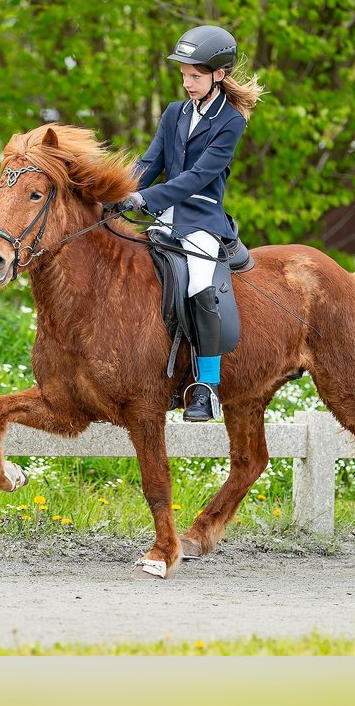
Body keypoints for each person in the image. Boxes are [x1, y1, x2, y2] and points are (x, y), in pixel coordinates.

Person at [112, 24, 265, 421]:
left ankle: (206, 387)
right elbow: (150, 162)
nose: (187, 83)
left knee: (199, 282)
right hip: (164, 219)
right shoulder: (174, 113)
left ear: (220, 74)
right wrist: (117, 191)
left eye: (195, 76)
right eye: (184, 75)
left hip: (202, 220)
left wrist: (144, 198)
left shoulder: (231, 121)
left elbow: (197, 177)